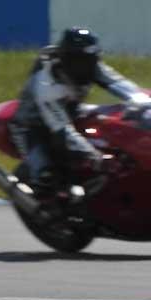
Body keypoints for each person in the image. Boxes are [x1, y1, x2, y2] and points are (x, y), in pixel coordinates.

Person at [9, 27, 151, 199]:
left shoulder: (92, 67)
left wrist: (145, 105)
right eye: (80, 62)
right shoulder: (48, 86)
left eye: (91, 60)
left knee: (117, 121)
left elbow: (122, 86)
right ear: (66, 60)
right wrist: (96, 157)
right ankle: (53, 204)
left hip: (72, 111)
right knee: (46, 175)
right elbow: (63, 132)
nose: (86, 67)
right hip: (34, 125)